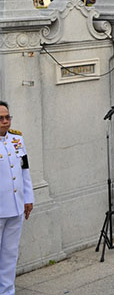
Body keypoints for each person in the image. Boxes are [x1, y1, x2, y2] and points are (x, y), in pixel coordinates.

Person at [0, 101, 33, 295]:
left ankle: (7, 291)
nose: (5, 121)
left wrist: (28, 198)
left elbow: (24, 170)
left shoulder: (17, 140)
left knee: (10, 253)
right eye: (1, 118)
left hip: (16, 206)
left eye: (7, 117)